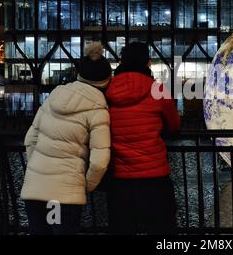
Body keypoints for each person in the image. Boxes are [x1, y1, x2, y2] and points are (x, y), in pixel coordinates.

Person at [20, 42, 112, 235]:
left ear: (79, 74)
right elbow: (99, 162)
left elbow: (30, 140)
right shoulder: (98, 109)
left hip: (34, 190)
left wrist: (37, 167)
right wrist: (86, 185)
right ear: (105, 81)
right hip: (66, 195)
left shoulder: (54, 96)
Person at [106, 42, 181, 235]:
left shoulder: (108, 91)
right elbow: (174, 125)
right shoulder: (158, 89)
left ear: (120, 62)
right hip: (155, 179)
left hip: (120, 180)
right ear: (148, 63)